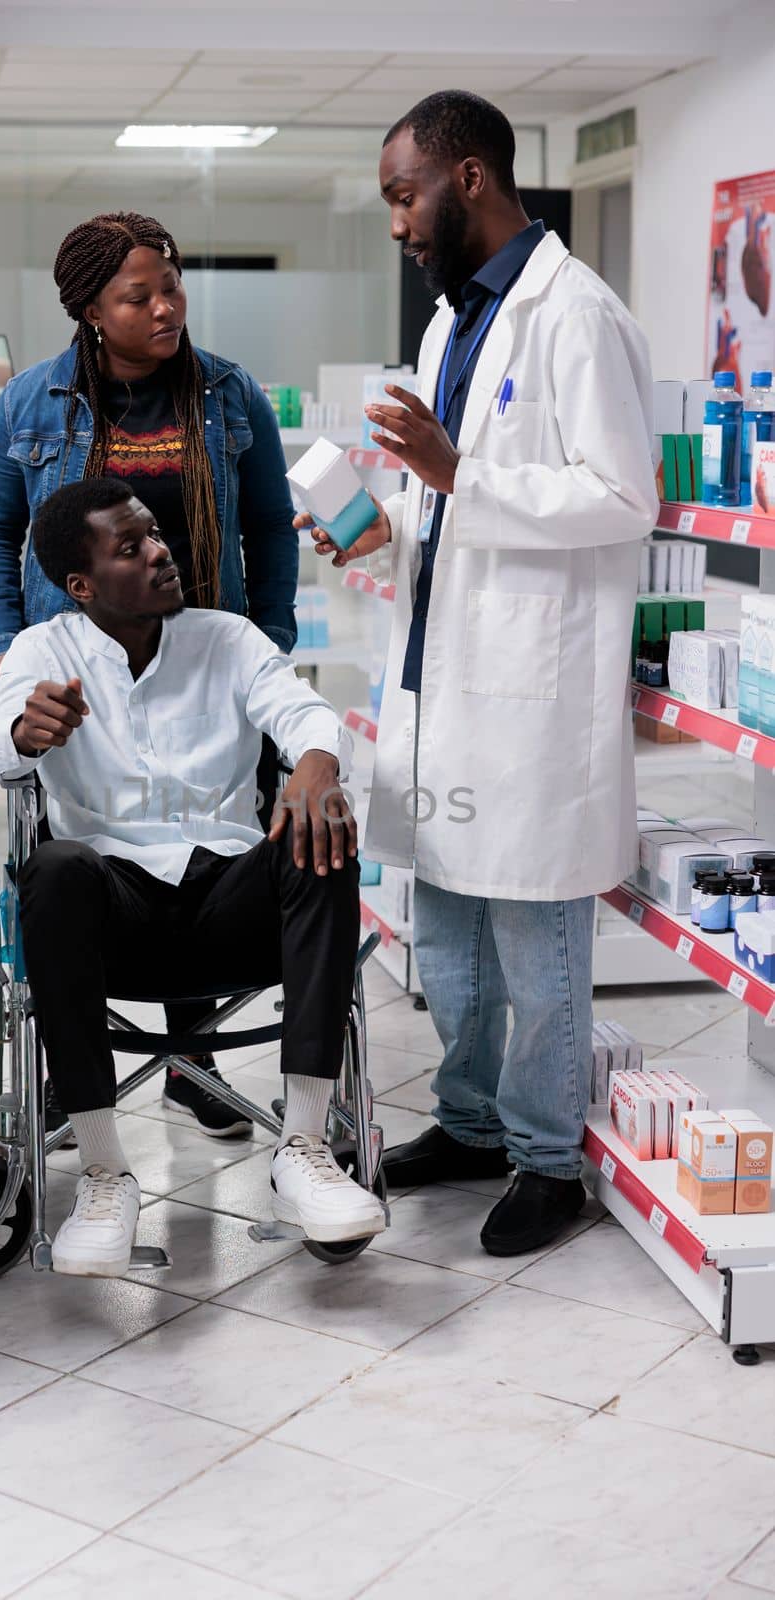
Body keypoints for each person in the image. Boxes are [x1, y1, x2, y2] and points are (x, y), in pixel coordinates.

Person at [302, 91, 658, 1257]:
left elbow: (619, 499)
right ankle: (465, 1122)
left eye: (403, 194)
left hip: (530, 699)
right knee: (445, 929)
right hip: (440, 684)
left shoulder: (578, 315)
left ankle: (547, 1160)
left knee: (534, 941)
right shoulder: (453, 324)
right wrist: (384, 528)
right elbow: (444, 505)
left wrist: (457, 476)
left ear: (467, 179)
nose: (396, 222)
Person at [0, 477, 384, 1275]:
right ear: (81, 585)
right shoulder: (42, 651)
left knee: (320, 829)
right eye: (132, 547)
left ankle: (303, 1151)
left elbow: (298, 710)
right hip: (112, 916)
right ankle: (103, 1172)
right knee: (53, 867)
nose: (162, 552)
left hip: (229, 902)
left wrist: (318, 764)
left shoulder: (226, 638)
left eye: (156, 535)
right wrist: (25, 733)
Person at [0, 210, 300, 1138]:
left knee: (202, 823)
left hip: (209, 656)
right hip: (76, 672)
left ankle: (194, 1066)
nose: (166, 307)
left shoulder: (229, 395)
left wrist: (268, 637)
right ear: (91, 311)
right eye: (138, 294)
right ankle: (78, 1074)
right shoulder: (33, 403)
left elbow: (270, 526)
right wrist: (2, 647)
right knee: (81, 853)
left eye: (172, 286)